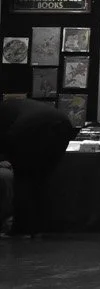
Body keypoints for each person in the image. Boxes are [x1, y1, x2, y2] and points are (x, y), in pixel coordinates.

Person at [0, 97, 73, 236]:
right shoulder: (13, 105)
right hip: (62, 124)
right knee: (40, 179)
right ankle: (39, 226)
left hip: (29, 128)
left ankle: (21, 229)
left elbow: (6, 139)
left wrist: (8, 159)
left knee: (23, 180)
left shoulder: (6, 111)